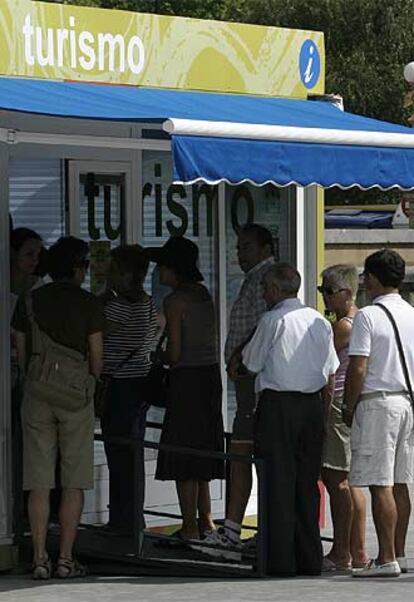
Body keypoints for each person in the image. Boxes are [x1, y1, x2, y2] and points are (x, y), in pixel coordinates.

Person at [12, 236, 105, 580]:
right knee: (73, 481)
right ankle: (65, 558)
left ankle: (38, 557)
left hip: (37, 393)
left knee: (38, 481)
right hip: (75, 396)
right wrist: (91, 385)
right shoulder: (89, 303)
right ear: (78, 268)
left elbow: (21, 352)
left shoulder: (29, 301)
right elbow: (97, 357)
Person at [241, 263, 339, 577]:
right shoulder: (319, 321)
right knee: (306, 482)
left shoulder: (271, 320)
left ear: (273, 290)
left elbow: (252, 362)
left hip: (279, 405)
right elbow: (329, 369)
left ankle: (279, 559)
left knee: (277, 481)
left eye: (265, 288)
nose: (263, 294)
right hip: (311, 404)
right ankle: (308, 557)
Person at [342, 249, 414, 578]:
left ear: (371, 278)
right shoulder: (412, 314)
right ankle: (399, 553)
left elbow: (358, 366)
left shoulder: (368, 316)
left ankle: (385, 559)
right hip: (406, 402)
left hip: (377, 402)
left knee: (379, 483)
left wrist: (348, 405)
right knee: (400, 482)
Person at [204, 223, 274, 553]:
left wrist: (239, 357)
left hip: (254, 381)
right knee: (242, 453)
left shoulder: (267, 281)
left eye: (245, 246)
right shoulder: (253, 280)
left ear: (264, 248)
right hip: (246, 379)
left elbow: (263, 329)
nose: (238, 253)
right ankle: (237, 527)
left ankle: (234, 529)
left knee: (244, 453)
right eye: (238, 246)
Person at [151, 236, 224, 542]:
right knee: (203, 452)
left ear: (173, 268)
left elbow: (176, 353)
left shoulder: (174, 301)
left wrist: (159, 357)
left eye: (162, 266)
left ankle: (189, 525)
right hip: (209, 378)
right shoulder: (203, 294)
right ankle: (206, 520)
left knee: (183, 455)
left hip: (186, 382)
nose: (157, 272)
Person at [100, 245, 158, 533]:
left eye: (112, 269)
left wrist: (101, 296)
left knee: (120, 454)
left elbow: (94, 330)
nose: (106, 274)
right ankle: (130, 518)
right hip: (139, 382)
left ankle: (125, 521)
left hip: (121, 384)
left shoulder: (118, 307)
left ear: (125, 273)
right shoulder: (147, 303)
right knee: (130, 453)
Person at [319, 265, 369, 571]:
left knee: (337, 479)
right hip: (348, 404)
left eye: (328, 291)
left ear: (347, 294)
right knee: (348, 480)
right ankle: (357, 550)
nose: (324, 297)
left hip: (337, 404)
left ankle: (343, 551)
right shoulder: (359, 320)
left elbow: (327, 369)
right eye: (321, 290)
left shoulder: (344, 327)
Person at [10, 227, 44, 316]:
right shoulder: (3, 287)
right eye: (30, 254)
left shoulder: (39, 286)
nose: (35, 260)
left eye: (38, 254)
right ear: (13, 253)